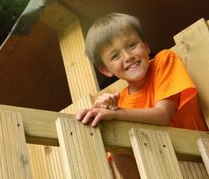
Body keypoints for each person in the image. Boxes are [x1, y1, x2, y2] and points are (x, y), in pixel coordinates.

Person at [75, 12, 208, 179]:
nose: (128, 56)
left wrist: (115, 114)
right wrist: (107, 123)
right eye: (115, 56)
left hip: (201, 159)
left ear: (146, 46)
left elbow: (163, 115)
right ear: (106, 70)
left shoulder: (164, 61)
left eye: (131, 45)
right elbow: (131, 174)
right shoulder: (120, 104)